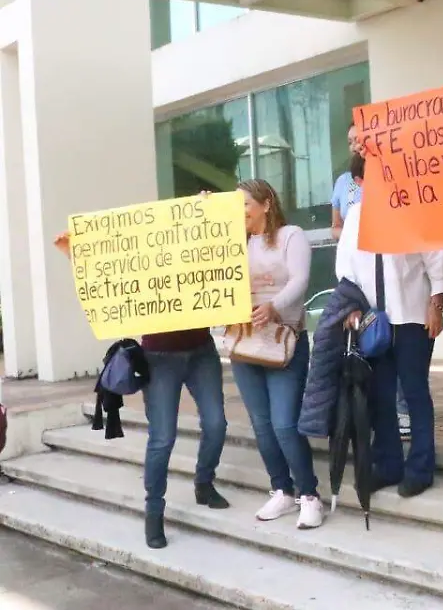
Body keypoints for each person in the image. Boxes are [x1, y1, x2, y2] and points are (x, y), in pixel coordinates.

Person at [54, 228, 229, 550]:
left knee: (217, 424)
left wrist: (212, 213)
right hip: (159, 357)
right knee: (163, 438)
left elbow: (224, 252)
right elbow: (107, 279)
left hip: (201, 351)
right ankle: (154, 512)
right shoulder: (144, 264)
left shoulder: (196, 254)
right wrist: (74, 254)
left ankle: (204, 482)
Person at [336, 169, 443, 498]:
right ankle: (387, 464)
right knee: (381, 395)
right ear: (359, 183)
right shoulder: (355, 217)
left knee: (414, 392)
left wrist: (436, 306)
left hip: (413, 316)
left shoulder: (413, 204)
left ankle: (421, 467)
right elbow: (345, 267)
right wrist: (350, 308)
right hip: (373, 321)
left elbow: (435, 258)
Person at [232, 179, 323, 529]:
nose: (240, 213)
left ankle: (309, 495)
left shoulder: (291, 236)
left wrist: (274, 306)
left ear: (266, 204)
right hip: (244, 345)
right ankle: (281, 489)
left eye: (245, 205)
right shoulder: (234, 242)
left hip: (285, 341)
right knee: (262, 424)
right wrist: (204, 210)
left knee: (285, 423)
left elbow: (300, 280)